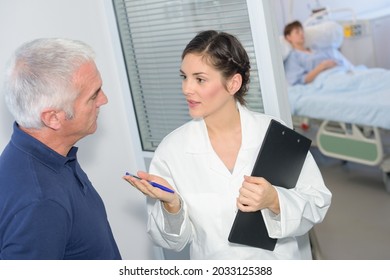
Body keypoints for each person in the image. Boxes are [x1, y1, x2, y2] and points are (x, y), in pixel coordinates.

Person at [123, 30, 332, 259]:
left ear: (233, 83)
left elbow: (317, 201)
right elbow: (170, 241)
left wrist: (274, 200)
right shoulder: (172, 150)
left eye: (199, 79)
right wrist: (172, 206)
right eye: (184, 77)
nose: (186, 89)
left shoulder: (274, 134)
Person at [0, 38, 121, 260]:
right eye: (93, 95)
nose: (104, 100)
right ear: (53, 117)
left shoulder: (51, 156)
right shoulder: (40, 203)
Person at [283, 20, 354, 86]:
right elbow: (300, 80)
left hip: (340, 73)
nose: (301, 34)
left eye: (302, 31)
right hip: (325, 80)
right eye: (297, 32)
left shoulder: (317, 49)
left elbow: (338, 61)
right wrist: (322, 67)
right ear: (288, 37)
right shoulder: (293, 57)